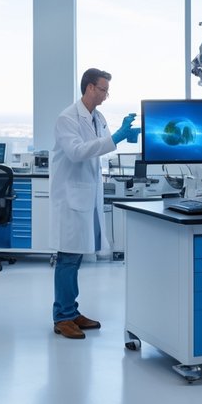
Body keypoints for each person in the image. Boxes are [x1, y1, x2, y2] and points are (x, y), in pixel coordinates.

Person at [49, 68, 138, 339]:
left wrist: (125, 136)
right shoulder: (67, 118)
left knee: (75, 258)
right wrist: (117, 137)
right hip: (70, 196)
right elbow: (76, 152)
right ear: (89, 88)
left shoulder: (96, 117)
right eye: (103, 89)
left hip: (86, 193)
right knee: (67, 258)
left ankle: (71, 311)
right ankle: (62, 317)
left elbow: (104, 143)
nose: (106, 95)